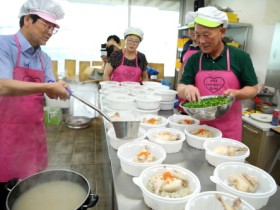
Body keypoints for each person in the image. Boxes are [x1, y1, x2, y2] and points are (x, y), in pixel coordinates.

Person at [0, 0, 65, 208]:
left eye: (53, 29)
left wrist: (60, 89)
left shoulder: (44, 58)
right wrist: (48, 87)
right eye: (46, 26)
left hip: (33, 135)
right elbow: (2, 85)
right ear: (27, 19)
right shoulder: (4, 45)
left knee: (31, 191)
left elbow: (51, 89)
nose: (49, 32)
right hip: (4, 134)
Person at [177, 6, 258, 141]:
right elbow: (180, 88)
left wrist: (237, 93)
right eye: (197, 35)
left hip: (229, 131)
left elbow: (253, 88)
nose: (201, 41)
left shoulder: (240, 57)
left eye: (206, 35)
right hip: (199, 130)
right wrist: (187, 88)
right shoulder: (194, 59)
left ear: (222, 32)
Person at [177, 11, 200, 113]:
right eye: (190, 29)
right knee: (183, 115)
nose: (192, 31)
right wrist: (179, 85)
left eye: (194, 29)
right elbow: (182, 66)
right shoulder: (187, 45)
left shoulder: (205, 47)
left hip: (198, 90)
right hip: (185, 87)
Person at [0, 79, 69, 97]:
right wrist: (49, 87)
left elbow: (51, 83)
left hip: (37, 123)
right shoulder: (4, 47)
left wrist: (55, 91)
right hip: (7, 124)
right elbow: (2, 87)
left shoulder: (44, 58)